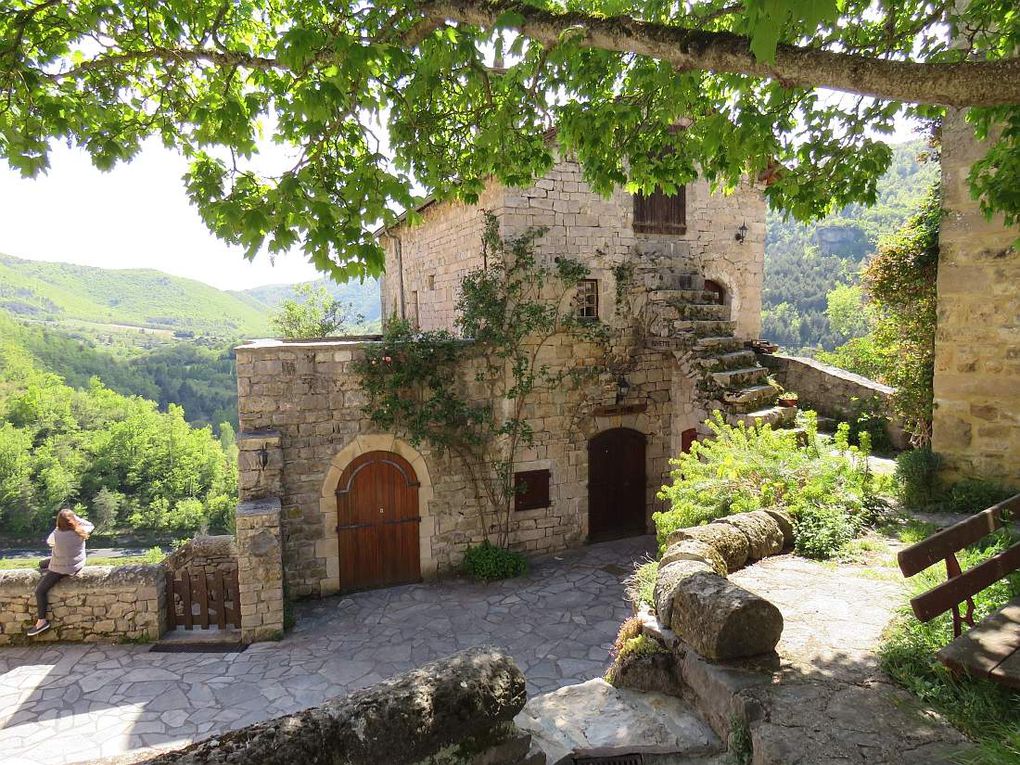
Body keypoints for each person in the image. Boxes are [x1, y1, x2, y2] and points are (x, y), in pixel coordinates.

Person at [27, 508, 95, 637]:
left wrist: (59, 526)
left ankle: (41, 622)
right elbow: (91, 525)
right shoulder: (81, 530)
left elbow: (49, 542)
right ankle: (41, 622)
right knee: (43, 564)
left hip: (60, 567)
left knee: (40, 591)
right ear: (73, 520)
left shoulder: (55, 534)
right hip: (76, 565)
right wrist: (76, 519)